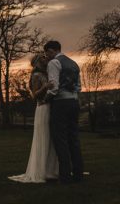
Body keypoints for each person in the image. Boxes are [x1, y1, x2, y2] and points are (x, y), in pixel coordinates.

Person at [8, 54, 59, 183]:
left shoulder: (46, 73)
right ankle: (41, 170)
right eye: (41, 57)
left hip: (51, 107)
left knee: (51, 139)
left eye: (45, 57)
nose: (45, 59)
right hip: (43, 108)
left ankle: (51, 169)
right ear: (36, 62)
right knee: (44, 138)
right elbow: (35, 95)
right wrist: (45, 87)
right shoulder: (36, 75)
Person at [44, 40, 84, 184]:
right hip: (74, 102)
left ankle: (65, 176)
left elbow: (53, 87)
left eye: (47, 53)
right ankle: (78, 173)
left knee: (60, 139)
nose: (46, 56)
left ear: (51, 50)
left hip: (61, 103)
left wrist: (46, 99)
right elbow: (79, 87)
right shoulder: (74, 63)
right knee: (74, 138)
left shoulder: (54, 63)